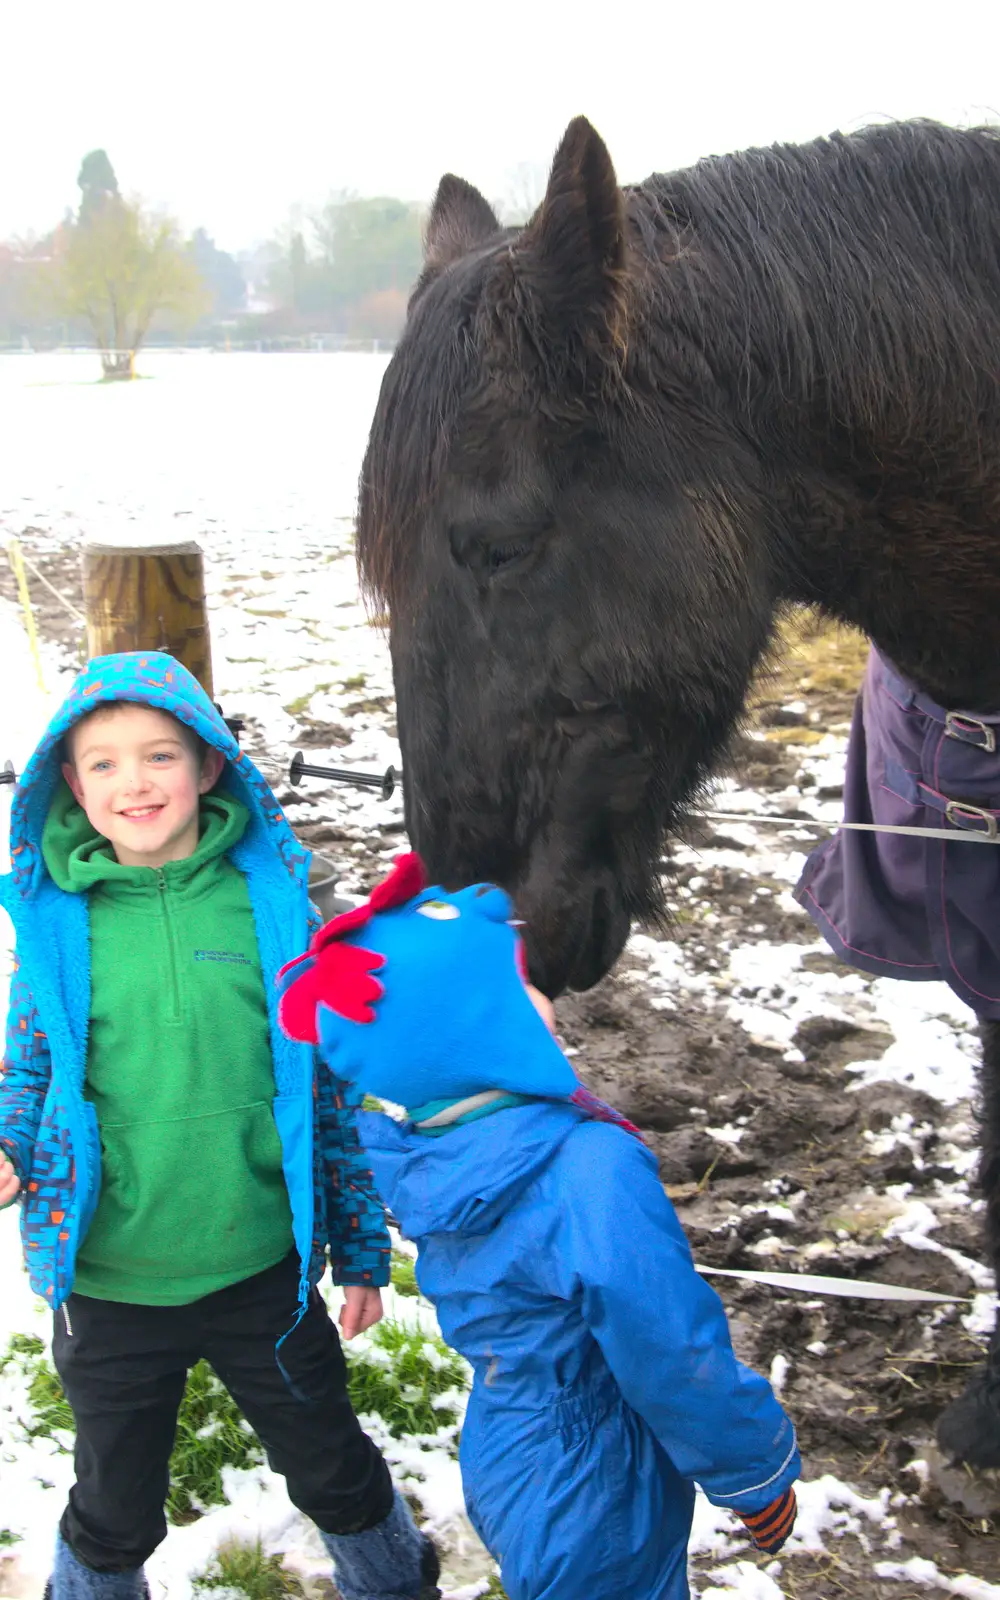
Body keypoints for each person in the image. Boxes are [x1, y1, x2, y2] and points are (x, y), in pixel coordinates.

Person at [0, 653, 439, 1600]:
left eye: (160, 755)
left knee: (331, 1461)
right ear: (70, 785)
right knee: (114, 1503)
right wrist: (6, 1142)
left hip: (259, 1274)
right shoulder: (53, 926)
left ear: (210, 767)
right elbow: (30, 1071)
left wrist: (361, 1249)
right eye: (104, 763)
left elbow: (330, 1093)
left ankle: (396, 1583)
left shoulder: (275, 911)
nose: (135, 782)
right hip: (109, 1283)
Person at [278, 854, 802, 1600]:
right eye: (516, 988)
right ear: (477, 1035)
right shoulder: (585, 1168)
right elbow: (667, 1343)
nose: (539, 994)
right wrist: (755, 1469)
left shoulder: (423, 1148)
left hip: (512, 1443)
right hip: (599, 1475)